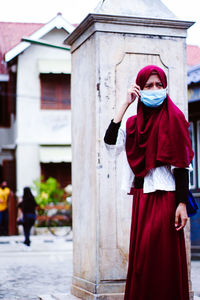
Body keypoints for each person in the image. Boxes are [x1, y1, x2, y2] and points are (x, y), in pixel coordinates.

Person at [104, 65, 194, 300]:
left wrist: (182, 204)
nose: (155, 89)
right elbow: (110, 144)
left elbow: (181, 165)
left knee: (164, 257)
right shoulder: (133, 123)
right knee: (143, 258)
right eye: (148, 86)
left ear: (165, 87)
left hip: (167, 199)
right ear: (139, 89)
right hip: (143, 198)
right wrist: (125, 104)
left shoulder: (175, 118)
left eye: (158, 85)